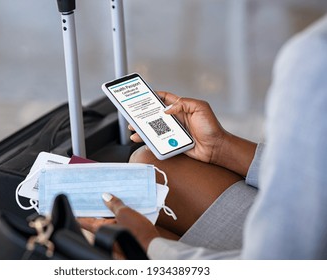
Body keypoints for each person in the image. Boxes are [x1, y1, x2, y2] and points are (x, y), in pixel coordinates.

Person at [80, 14, 327, 259]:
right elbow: (310, 170)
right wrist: (221, 147)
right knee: (150, 163)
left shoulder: (314, 58)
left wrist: (149, 243)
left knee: (105, 229)